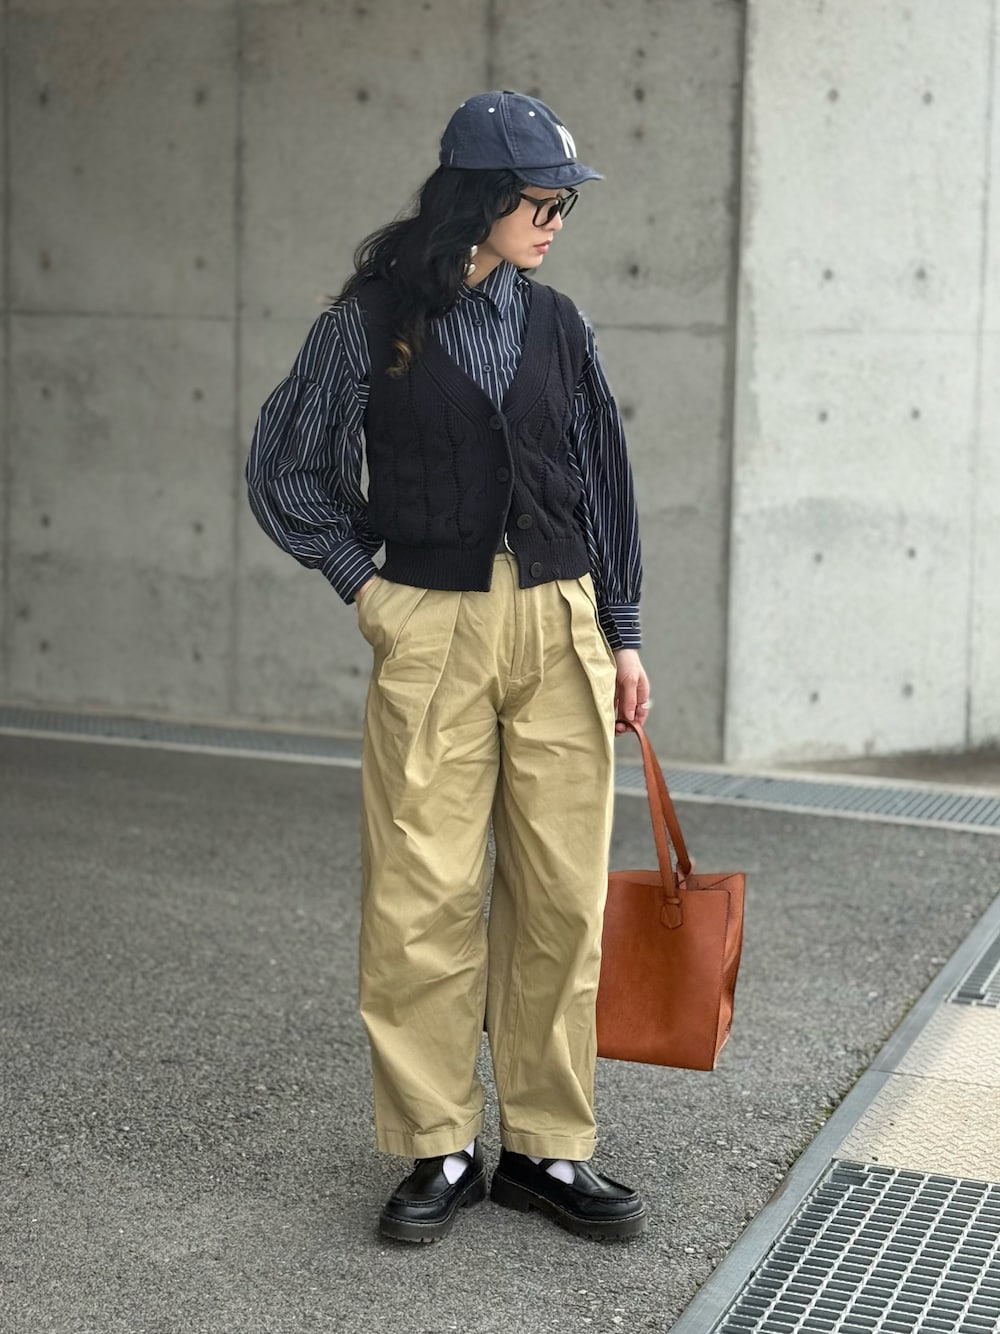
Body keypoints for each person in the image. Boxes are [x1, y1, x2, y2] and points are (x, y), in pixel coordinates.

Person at [246, 90, 651, 1244]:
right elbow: (286, 467)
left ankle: (545, 1146)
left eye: (564, 205)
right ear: (478, 199)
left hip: (561, 621)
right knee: (420, 892)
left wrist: (621, 633)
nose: (556, 222)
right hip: (432, 621)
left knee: (562, 896)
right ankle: (438, 1142)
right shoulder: (367, 323)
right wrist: (366, 588)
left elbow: (603, 480)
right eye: (541, 203)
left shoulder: (560, 323)